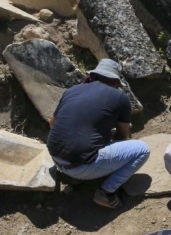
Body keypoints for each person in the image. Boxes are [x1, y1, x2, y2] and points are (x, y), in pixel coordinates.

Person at [47, 59, 150, 208]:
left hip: (56, 158)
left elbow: (52, 123)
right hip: (80, 167)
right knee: (142, 150)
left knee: (88, 143)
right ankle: (106, 193)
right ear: (115, 82)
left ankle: (76, 176)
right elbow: (122, 137)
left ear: (93, 76)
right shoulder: (120, 98)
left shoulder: (72, 90)